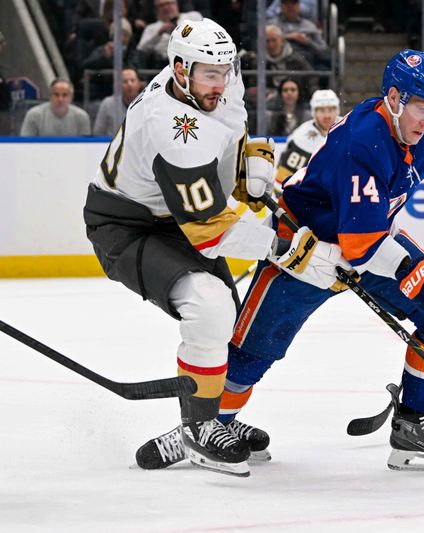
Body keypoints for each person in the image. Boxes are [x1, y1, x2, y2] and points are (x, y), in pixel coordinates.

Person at [137, 49, 424, 472]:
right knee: (252, 355)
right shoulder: (361, 144)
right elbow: (362, 246)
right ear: (394, 99)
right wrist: (422, 275)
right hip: (306, 251)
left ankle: (412, 427)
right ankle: (205, 427)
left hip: (370, 239)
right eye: (421, 109)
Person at [83, 18, 344, 477]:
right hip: (126, 225)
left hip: (174, 216)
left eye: (226, 71)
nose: (221, 83)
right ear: (180, 69)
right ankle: (199, 429)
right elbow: (208, 227)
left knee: (229, 318)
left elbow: (232, 124)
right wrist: (282, 246)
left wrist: (251, 160)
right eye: (210, 74)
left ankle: (214, 417)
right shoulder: (170, 126)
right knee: (209, 306)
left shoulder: (218, 76)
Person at [275, 89, 340, 190]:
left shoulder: (350, 129)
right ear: (314, 112)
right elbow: (283, 180)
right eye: (322, 110)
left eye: (331, 110)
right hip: (312, 199)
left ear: (337, 111)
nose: (327, 116)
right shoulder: (299, 138)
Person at [136, 0, 202, 66]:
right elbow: (141, 49)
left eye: (168, 3)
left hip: (192, 58)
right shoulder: (151, 28)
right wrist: (159, 33)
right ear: (156, 9)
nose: (166, 7)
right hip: (163, 64)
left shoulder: (193, 17)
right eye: (161, 5)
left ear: (176, 4)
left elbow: (202, 34)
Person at [20, 79, 91, 137]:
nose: (60, 99)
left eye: (65, 95)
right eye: (56, 95)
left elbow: (85, 146)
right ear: (50, 96)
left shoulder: (82, 117)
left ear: (71, 97)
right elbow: (25, 144)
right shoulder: (34, 115)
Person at [93, 67, 144, 136]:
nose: (129, 84)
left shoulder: (147, 103)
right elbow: (98, 134)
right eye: (125, 81)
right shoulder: (107, 104)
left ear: (139, 83)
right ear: (118, 85)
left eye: (132, 80)